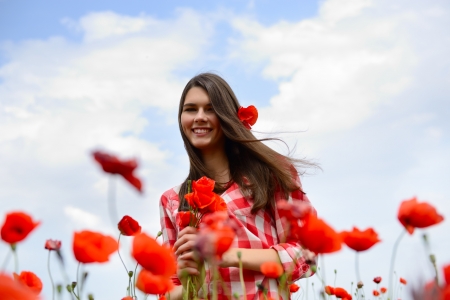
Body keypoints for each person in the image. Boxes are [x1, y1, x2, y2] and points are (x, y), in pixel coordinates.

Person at [159, 73, 316, 300]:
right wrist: (188, 282)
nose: (199, 117)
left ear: (227, 115)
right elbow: (167, 291)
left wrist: (227, 255)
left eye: (210, 109)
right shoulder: (172, 200)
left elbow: (305, 255)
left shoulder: (269, 175)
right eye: (191, 109)